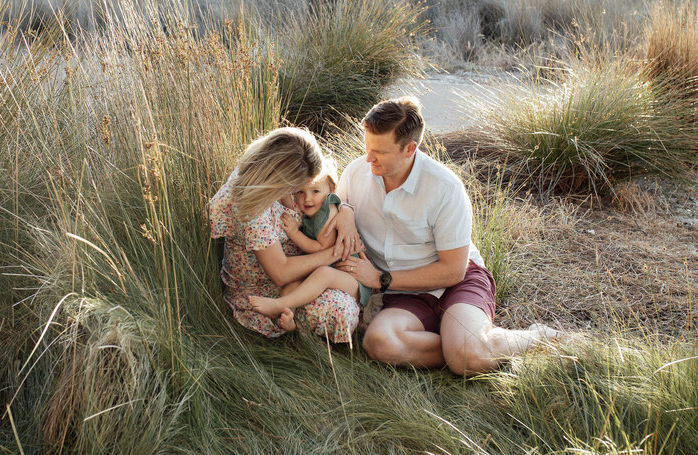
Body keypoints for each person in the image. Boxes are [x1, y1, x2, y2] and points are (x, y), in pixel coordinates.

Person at [327, 97, 558, 374]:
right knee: (378, 343)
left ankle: (536, 337)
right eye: (367, 147)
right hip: (403, 294)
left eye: (380, 152)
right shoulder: (355, 174)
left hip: (455, 283)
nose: (368, 158)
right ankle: (464, 342)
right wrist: (345, 211)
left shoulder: (445, 188)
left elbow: (452, 271)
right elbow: (336, 208)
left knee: (467, 360)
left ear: (410, 149)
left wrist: (379, 279)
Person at [208, 128, 359, 342]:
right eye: (297, 187)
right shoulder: (252, 206)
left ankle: (305, 328)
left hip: (305, 273)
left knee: (344, 299)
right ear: (282, 177)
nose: (299, 193)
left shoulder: (277, 176)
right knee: (340, 311)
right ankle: (296, 330)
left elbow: (323, 193)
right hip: (266, 290)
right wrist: (335, 253)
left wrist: (345, 211)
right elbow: (280, 273)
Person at [248, 160, 371, 329]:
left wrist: (294, 233)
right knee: (290, 287)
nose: (308, 199)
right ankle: (289, 319)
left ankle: (278, 305)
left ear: (331, 190)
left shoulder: (328, 210)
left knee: (323, 274)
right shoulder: (311, 210)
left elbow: (322, 247)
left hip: (353, 279)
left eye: (315, 191)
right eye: (300, 192)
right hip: (332, 271)